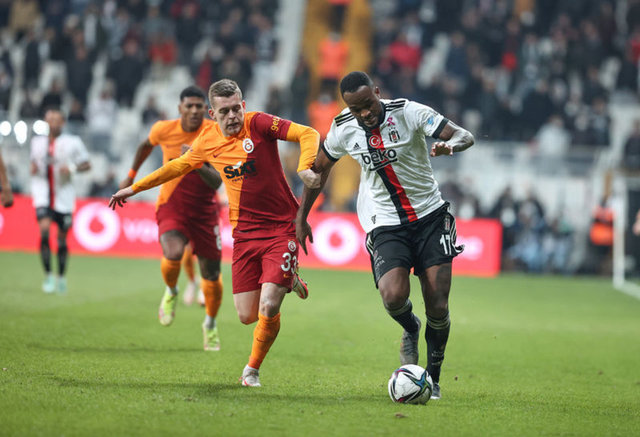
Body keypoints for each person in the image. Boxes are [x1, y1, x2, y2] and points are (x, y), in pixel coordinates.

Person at [110, 79, 319, 387]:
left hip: (281, 228)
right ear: (213, 113)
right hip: (244, 234)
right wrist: (134, 187)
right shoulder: (207, 141)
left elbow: (308, 133)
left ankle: (251, 370)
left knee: (268, 305)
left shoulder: (259, 124)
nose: (232, 116)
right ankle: (290, 279)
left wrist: (304, 167)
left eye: (236, 109)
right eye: (224, 111)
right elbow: (176, 167)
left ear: (243, 106)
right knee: (246, 316)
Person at [295, 71, 475, 400]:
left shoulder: (408, 112)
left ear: (377, 92)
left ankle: (433, 378)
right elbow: (318, 172)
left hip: (430, 216)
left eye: (369, 103)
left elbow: (465, 135)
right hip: (385, 222)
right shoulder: (342, 128)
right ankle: (410, 326)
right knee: (392, 296)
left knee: (437, 302)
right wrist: (301, 216)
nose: (365, 113)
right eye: (356, 108)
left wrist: (450, 145)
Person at [118, 86, 224, 352]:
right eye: (189, 106)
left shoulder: (215, 132)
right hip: (171, 205)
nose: (194, 110)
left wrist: (195, 161)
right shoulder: (163, 129)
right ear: (180, 108)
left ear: (206, 109)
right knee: (173, 252)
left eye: (199, 106)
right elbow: (145, 146)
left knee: (211, 274)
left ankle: (210, 324)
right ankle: (172, 291)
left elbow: (216, 181)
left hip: (205, 211)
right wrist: (130, 175)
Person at [30, 108, 91, 293]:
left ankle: (61, 277)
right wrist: (33, 168)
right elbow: (34, 163)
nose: (53, 123)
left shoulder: (73, 142)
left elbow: (87, 164)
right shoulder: (36, 142)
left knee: (62, 240)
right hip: (43, 196)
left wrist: (71, 168)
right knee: (44, 231)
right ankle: (48, 275)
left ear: (62, 122)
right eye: (50, 120)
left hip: (64, 197)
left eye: (56, 120)